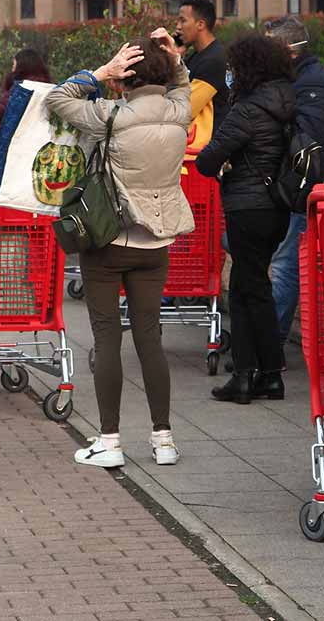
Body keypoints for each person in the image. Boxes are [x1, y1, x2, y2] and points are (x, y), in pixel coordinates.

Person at [45, 29, 194, 469]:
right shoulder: (179, 112)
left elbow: (57, 98)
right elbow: (183, 85)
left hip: (109, 241)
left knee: (107, 337)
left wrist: (99, 72)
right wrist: (174, 58)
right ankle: (163, 440)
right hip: (157, 243)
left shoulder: (109, 115)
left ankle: (109, 441)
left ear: (124, 78)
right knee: (150, 337)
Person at [194, 34, 295, 404]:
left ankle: (245, 374)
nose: (230, 75)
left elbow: (207, 160)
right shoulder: (287, 100)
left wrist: (224, 164)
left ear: (247, 68)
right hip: (276, 208)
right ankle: (268, 373)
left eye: (233, 68)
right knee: (254, 287)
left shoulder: (248, 109)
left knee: (244, 291)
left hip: (247, 207)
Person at [265, 16, 324, 348]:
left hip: (305, 194)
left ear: (288, 50)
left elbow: (304, 142)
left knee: (285, 269)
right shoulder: (297, 80)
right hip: (291, 194)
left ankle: (270, 346)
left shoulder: (312, 86)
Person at [176, 0, 228, 146]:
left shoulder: (213, 60)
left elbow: (185, 110)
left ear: (200, 24)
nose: (178, 27)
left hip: (209, 147)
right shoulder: (196, 55)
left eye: (183, 21)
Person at [0, 48, 51, 125]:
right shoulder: (47, 87)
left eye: (14, 65)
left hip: (16, 133)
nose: (12, 69)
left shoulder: (21, 88)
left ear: (21, 66)